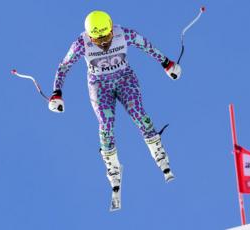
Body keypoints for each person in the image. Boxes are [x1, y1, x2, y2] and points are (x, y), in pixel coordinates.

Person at [48, 10, 181, 194]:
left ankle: (158, 151)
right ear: (89, 36)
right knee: (106, 123)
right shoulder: (81, 43)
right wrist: (56, 92)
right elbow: (64, 66)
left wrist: (167, 63)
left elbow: (146, 46)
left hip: (124, 79)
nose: (103, 43)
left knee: (138, 113)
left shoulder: (124, 34)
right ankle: (112, 166)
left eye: (107, 36)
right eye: (97, 40)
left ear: (112, 28)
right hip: (100, 85)